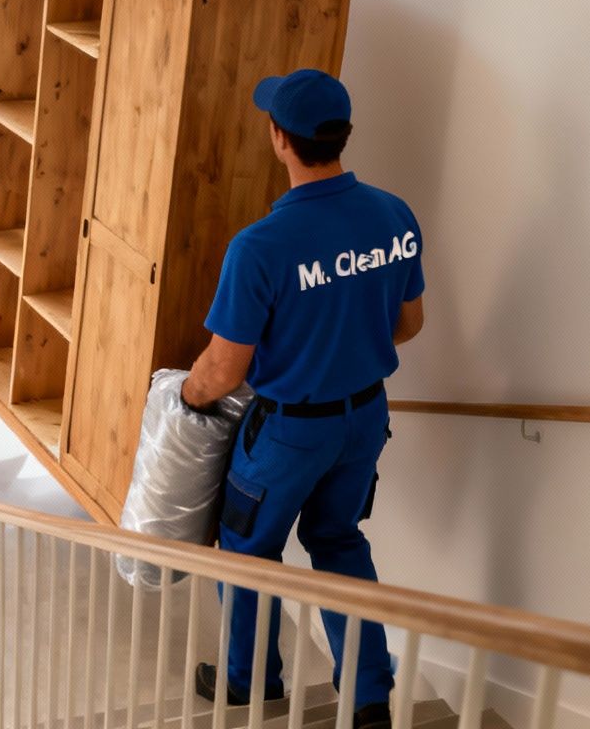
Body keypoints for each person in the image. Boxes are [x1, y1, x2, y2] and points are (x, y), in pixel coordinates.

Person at [180, 69, 426, 728]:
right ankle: (369, 698)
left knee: (249, 552)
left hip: (289, 433)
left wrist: (186, 398)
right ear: (343, 134)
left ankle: (249, 684)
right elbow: (410, 323)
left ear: (280, 138)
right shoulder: (394, 214)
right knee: (338, 540)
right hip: (365, 418)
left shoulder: (260, 247)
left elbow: (222, 370)